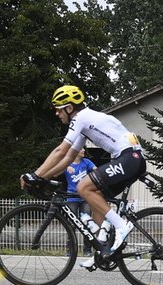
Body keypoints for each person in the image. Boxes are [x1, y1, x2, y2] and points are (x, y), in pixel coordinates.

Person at [20, 85, 146, 266]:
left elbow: (60, 150)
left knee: (83, 187)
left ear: (69, 108)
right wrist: (43, 178)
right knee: (97, 196)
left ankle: (121, 226)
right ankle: (103, 250)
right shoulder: (85, 124)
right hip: (130, 159)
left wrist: (34, 174)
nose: (56, 113)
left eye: (58, 109)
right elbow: (69, 157)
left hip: (129, 158)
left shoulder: (81, 118)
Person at [65, 148, 97, 257]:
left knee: (87, 224)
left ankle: (87, 250)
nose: (83, 150)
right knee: (71, 225)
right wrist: (65, 167)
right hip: (72, 198)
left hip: (85, 198)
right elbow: (56, 172)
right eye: (81, 148)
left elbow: (96, 171)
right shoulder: (67, 163)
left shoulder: (86, 162)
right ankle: (70, 250)